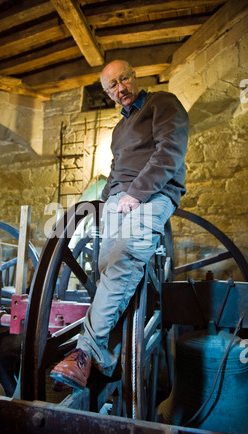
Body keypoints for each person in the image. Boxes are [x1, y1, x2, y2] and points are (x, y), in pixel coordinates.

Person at [50, 59, 189, 390]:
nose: (120, 88)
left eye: (124, 79)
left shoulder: (163, 103)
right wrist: (108, 202)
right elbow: (114, 172)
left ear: (134, 75)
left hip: (153, 194)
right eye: (112, 85)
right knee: (106, 266)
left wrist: (136, 195)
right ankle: (108, 358)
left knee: (125, 254)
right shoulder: (118, 130)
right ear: (107, 91)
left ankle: (84, 352)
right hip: (119, 201)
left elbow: (170, 153)